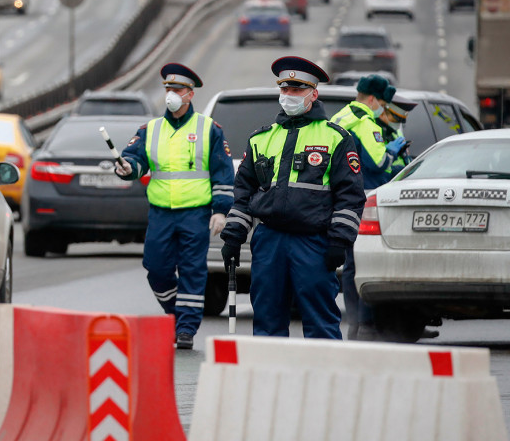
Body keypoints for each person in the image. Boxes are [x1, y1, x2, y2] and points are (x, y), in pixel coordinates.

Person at [220, 56, 366, 339]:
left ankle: (322, 382)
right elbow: (244, 195)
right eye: (285, 90)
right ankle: (268, 382)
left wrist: (339, 242)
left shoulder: (336, 138)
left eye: (297, 90)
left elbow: (350, 196)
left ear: (314, 93)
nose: (289, 96)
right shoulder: (260, 138)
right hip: (269, 241)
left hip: (314, 243)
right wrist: (232, 237)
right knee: (266, 321)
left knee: (320, 323)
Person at [114, 63, 235, 350]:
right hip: (161, 213)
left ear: (190, 94)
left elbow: (222, 172)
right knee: (155, 268)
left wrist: (220, 210)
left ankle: (186, 329)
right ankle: (175, 313)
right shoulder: (151, 129)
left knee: (193, 270)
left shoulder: (209, 129)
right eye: (168, 89)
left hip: (196, 213)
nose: (171, 94)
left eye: (177, 90)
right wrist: (126, 168)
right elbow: (135, 161)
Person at [330, 75, 407, 340]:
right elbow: (378, 161)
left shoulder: (340, 116)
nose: (383, 109)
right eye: (383, 104)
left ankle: (354, 322)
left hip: (337, 198)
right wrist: (393, 150)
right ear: (373, 99)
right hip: (363, 198)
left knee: (349, 264)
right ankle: (365, 323)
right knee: (362, 263)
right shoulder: (365, 122)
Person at [376, 89, 417, 174]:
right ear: (383, 112)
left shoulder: (395, 132)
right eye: (396, 119)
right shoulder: (373, 131)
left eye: (401, 121)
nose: (398, 125)